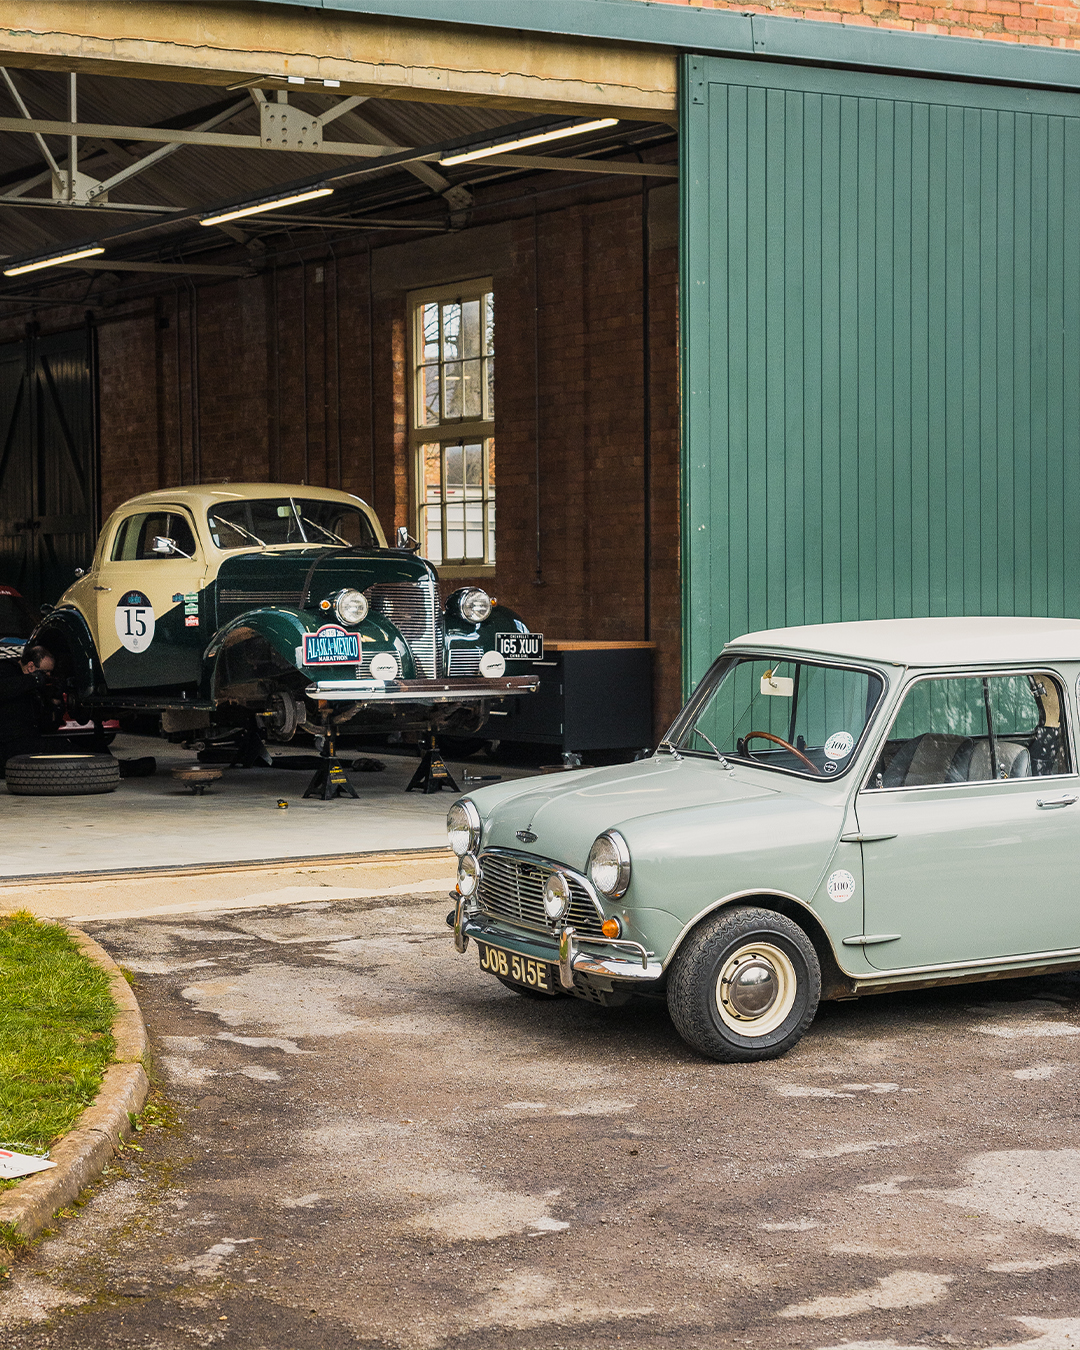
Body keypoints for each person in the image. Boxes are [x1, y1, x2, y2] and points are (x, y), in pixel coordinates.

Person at [0, 643, 67, 773]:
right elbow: (4, 689)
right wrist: (34, 680)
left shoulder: (38, 690)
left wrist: (55, 704)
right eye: (45, 672)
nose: (47, 676)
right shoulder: (6, 670)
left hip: (28, 740)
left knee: (70, 749)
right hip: (7, 742)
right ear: (31, 667)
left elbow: (48, 727)